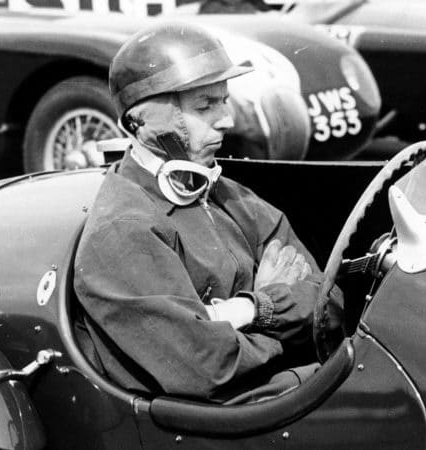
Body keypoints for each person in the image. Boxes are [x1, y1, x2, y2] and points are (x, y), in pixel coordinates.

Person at [74, 21, 341, 404]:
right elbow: (209, 368)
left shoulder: (228, 196)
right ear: (147, 122)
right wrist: (274, 311)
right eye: (206, 105)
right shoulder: (122, 231)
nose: (227, 119)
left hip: (288, 391)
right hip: (242, 416)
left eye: (224, 99)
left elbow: (329, 305)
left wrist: (242, 312)